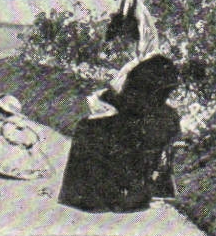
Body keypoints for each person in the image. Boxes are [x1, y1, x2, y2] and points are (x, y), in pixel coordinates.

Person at [58, 52, 181, 213]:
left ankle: (87, 195)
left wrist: (107, 99)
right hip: (140, 133)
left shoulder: (149, 100)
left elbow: (129, 106)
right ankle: (96, 194)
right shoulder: (168, 113)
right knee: (94, 128)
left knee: (89, 128)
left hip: (134, 134)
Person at [0, 94, 52, 180]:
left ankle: (12, 170)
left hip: (18, 150)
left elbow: (11, 138)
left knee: (1, 147)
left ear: (3, 113)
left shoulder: (8, 125)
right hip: (25, 146)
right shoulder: (19, 122)